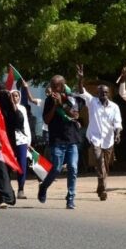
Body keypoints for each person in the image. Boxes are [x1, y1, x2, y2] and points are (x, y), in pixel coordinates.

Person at [76, 65, 122, 201]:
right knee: (98, 159)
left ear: (109, 93)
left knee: (105, 165)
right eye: (101, 93)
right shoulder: (92, 102)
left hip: (109, 139)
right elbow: (81, 91)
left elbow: (118, 123)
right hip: (94, 137)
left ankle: (100, 185)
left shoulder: (114, 107)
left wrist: (118, 133)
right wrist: (80, 80)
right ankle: (103, 190)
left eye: (106, 93)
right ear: (97, 93)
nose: (104, 95)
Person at [39, 75, 80, 209]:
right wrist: (54, 106)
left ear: (63, 86)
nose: (55, 88)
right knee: (56, 168)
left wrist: (61, 104)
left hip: (71, 139)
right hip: (57, 139)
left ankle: (70, 198)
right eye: (53, 85)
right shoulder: (49, 100)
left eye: (58, 85)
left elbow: (75, 115)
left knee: (73, 168)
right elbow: (46, 120)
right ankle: (44, 187)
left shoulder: (71, 99)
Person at [10, 87, 32, 199]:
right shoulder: (6, 109)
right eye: (12, 95)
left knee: (22, 165)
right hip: (9, 140)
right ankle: (7, 189)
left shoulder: (22, 108)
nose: (15, 97)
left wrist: (29, 141)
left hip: (22, 140)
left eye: (17, 95)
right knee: (8, 165)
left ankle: (21, 189)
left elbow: (26, 126)